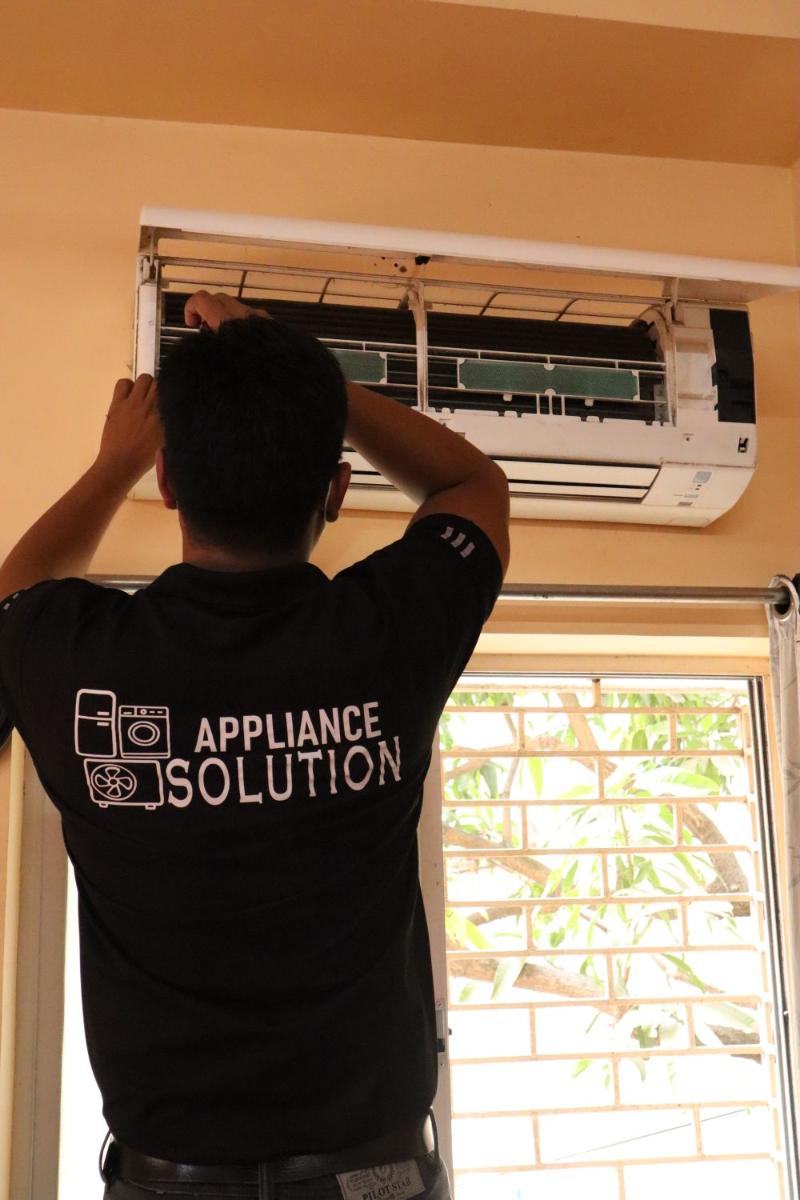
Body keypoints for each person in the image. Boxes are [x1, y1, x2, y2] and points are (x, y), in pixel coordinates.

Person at [0, 290, 509, 1199]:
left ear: (167, 480)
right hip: (375, 1175)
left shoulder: (81, 661)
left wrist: (110, 466)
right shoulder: (386, 636)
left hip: (169, 1183)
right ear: (335, 490)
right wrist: (316, 385)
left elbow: (18, 587)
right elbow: (473, 486)